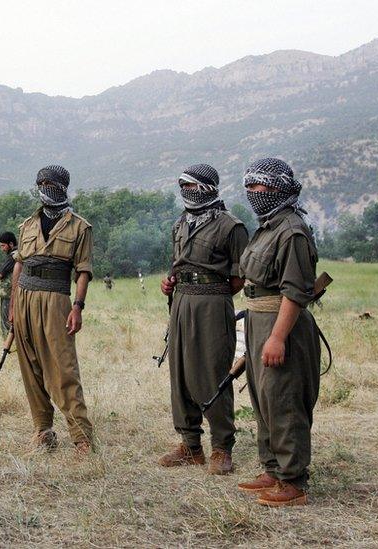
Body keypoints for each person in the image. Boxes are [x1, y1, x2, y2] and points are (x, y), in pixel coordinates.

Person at [234, 158, 320, 507]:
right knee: (263, 398)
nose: (256, 194)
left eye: (263, 187)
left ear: (281, 187)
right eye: (251, 187)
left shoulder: (292, 231)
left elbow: (295, 291)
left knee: (283, 398)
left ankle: (292, 480)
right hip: (257, 319)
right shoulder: (268, 227)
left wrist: (277, 337)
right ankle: (272, 468)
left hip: (279, 322)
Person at [158, 164, 248, 475]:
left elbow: (240, 276)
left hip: (213, 304)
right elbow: (175, 265)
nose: (186, 191)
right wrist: (169, 283)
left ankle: (222, 448)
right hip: (181, 303)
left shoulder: (231, 226)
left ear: (208, 187)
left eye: (192, 186)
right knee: (180, 374)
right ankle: (190, 446)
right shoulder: (180, 224)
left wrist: (214, 292)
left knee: (212, 374)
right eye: (182, 186)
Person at [9, 165, 95, 455]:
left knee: (63, 367)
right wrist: (12, 307)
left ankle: (81, 437)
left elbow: (82, 271)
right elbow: (19, 264)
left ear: (62, 185)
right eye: (40, 182)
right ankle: (43, 430)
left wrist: (78, 307)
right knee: (30, 366)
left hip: (56, 297)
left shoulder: (80, 227)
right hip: (24, 297)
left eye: (50, 182)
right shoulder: (27, 225)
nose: (44, 186)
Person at [0, 232, 18, 335]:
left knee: (7, 324)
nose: (2, 249)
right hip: (18, 293)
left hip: (9, 294)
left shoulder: (12, 256)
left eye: (3, 245)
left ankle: (8, 347)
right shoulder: (20, 254)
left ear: (11, 244)